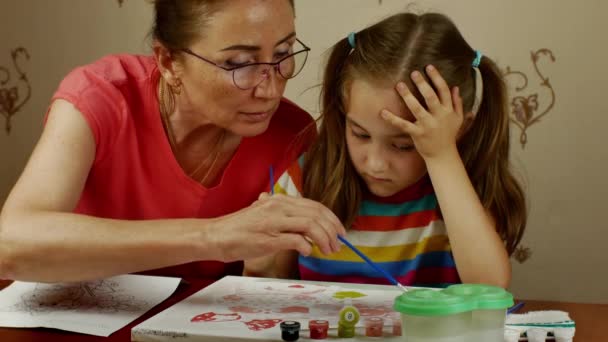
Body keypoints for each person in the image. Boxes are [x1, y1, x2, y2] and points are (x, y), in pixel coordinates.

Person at [0, 0, 345, 283]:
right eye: (239, 63)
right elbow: (11, 244)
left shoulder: (291, 134)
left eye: (283, 53)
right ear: (167, 61)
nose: (269, 90)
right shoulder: (100, 97)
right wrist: (214, 237)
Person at [244, 12, 527, 288]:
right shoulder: (306, 179)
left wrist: (442, 157)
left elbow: (489, 286)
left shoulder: (466, 190)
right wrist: (257, 266)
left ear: (458, 130)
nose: (376, 164)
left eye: (403, 145)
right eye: (360, 133)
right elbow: (268, 291)